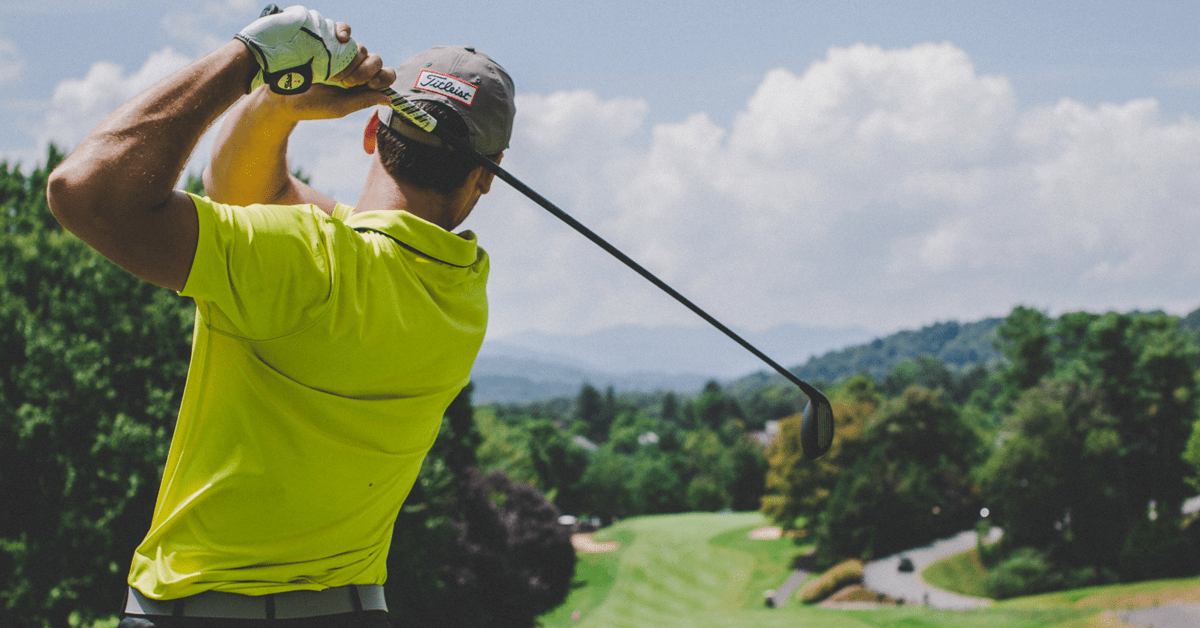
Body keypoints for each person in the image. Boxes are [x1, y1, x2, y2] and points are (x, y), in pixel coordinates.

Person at [47, 6, 515, 627]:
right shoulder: (463, 292)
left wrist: (252, 58)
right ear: (486, 178)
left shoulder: (304, 259)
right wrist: (276, 105)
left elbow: (84, 191)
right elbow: (247, 192)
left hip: (198, 610)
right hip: (350, 611)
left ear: (373, 132)